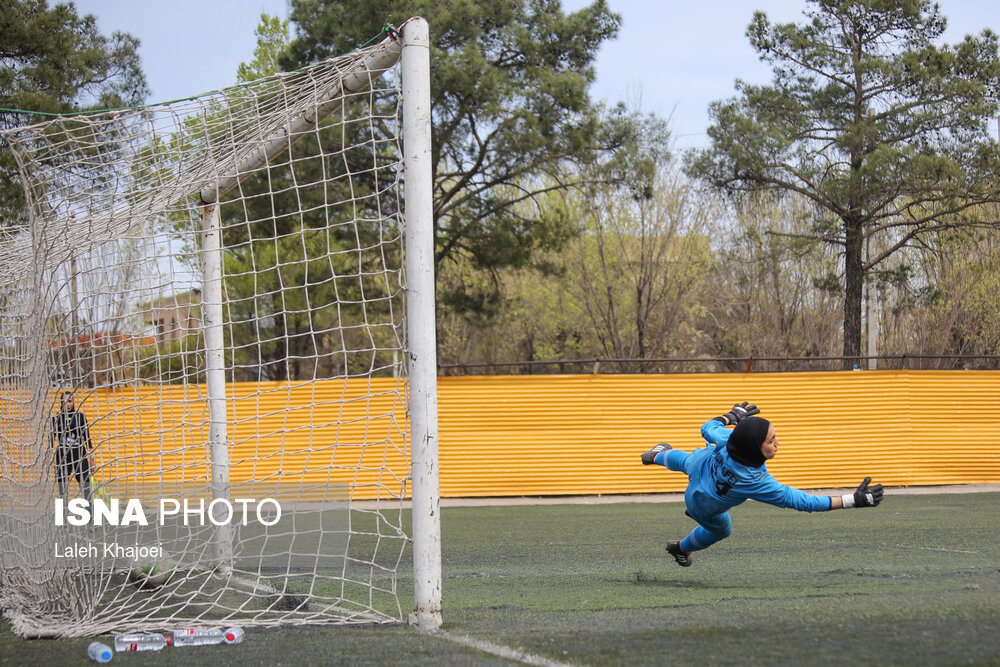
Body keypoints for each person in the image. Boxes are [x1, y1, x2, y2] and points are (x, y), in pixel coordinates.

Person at [641, 401, 883, 567]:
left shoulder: (729, 440)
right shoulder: (755, 482)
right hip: (700, 504)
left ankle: (655, 455)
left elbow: (708, 427)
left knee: (685, 460)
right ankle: (682, 548)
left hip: (701, 465)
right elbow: (804, 502)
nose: (777, 443)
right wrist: (854, 500)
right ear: (754, 448)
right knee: (722, 529)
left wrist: (731, 416)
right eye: (771, 440)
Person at [52, 391, 93, 502]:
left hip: (79, 453)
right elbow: (51, 440)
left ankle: (90, 515)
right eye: (65, 401)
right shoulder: (56, 419)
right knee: (63, 487)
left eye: (70, 401)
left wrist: (92, 460)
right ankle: (64, 514)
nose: (68, 404)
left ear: (73, 402)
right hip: (63, 456)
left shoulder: (80, 417)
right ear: (61, 403)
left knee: (85, 484)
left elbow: (88, 440)